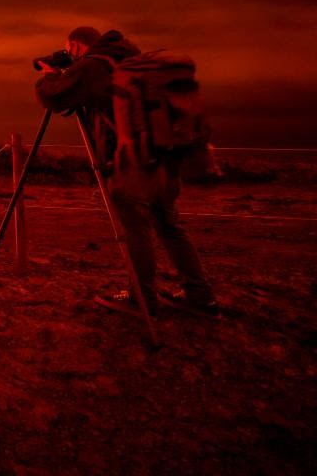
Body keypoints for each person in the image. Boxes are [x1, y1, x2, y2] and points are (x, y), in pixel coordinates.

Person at [34, 26, 218, 316]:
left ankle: (141, 299)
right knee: (169, 226)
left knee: (135, 229)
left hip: (129, 161)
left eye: (69, 50)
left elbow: (54, 97)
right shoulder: (130, 61)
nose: (69, 55)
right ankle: (200, 294)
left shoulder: (95, 66)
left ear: (78, 47)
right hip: (164, 156)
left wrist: (48, 76)